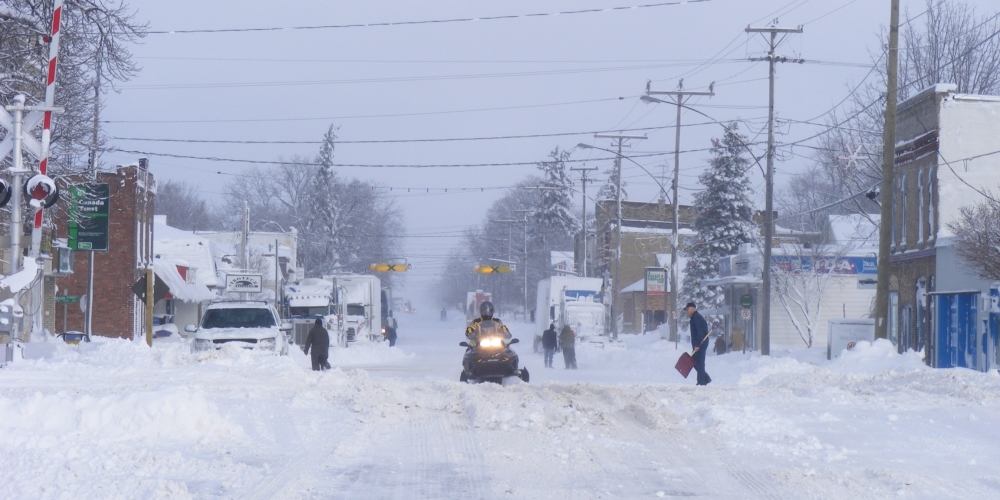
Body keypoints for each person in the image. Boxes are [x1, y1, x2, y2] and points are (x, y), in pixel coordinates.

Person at [685, 302, 711, 386]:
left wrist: (697, 345)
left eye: (688, 309)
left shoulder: (697, 318)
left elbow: (700, 332)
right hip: (699, 343)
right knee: (694, 362)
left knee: (699, 362)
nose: (687, 311)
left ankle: (701, 381)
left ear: (693, 309)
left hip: (701, 343)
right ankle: (705, 378)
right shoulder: (694, 318)